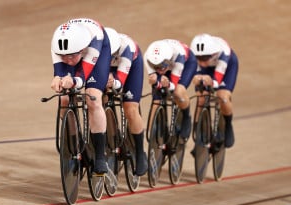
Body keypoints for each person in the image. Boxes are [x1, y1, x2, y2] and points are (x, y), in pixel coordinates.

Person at [50, 18, 111, 174]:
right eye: (63, 56)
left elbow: (82, 78)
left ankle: (99, 156)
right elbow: (59, 71)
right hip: (73, 46)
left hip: (99, 51)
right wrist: (58, 78)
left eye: (71, 57)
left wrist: (74, 81)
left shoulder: (94, 43)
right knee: (64, 98)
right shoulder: (58, 44)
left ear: (82, 49)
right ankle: (76, 143)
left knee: (93, 98)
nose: (68, 61)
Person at [104, 27, 147, 176]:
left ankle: (140, 152)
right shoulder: (96, 48)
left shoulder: (126, 48)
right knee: (99, 98)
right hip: (108, 68)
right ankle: (110, 135)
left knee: (130, 109)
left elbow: (121, 80)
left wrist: (114, 82)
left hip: (131, 66)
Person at [190, 33, 239, 148]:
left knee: (223, 97)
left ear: (213, 54)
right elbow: (192, 74)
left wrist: (211, 82)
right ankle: (199, 130)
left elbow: (217, 79)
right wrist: (196, 79)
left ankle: (228, 124)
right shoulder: (194, 57)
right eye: (199, 59)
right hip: (206, 71)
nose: (201, 62)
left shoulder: (224, 52)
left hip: (226, 68)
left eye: (205, 58)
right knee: (201, 98)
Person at [144, 39, 197, 139]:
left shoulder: (179, 56)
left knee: (178, 91)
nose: (158, 69)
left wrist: (167, 84)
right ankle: (153, 134)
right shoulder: (148, 57)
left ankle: (186, 116)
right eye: (155, 66)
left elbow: (172, 86)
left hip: (187, 63)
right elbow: (156, 83)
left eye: (161, 66)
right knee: (156, 98)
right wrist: (156, 82)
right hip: (168, 65)